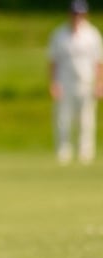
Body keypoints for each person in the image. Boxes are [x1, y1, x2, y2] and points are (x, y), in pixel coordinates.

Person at [48, 0, 103, 165]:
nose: (77, 17)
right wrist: (53, 83)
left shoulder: (93, 35)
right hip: (65, 82)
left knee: (86, 120)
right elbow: (53, 61)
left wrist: (100, 83)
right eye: (74, 13)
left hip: (86, 82)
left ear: (85, 15)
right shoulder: (59, 34)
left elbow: (99, 62)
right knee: (63, 119)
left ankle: (85, 153)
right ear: (69, 14)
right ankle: (63, 152)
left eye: (80, 13)